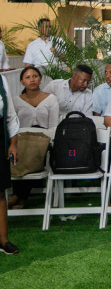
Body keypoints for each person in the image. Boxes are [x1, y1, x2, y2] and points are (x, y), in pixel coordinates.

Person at [7, 67, 58, 210]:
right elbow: (13, 125)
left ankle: (18, 196)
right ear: (22, 81)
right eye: (28, 77)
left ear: (40, 79)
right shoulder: (16, 101)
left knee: (32, 153)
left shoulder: (51, 99)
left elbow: (53, 126)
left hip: (44, 141)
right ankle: (20, 197)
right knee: (20, 152)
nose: (32, 80)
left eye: (35, 76)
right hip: (22, 140)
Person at [0, 73, 20, 255]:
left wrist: (13, 144)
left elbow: (10, 116)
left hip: (0, 140)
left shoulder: (2, 80)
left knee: (0, 192)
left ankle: (3, 240)